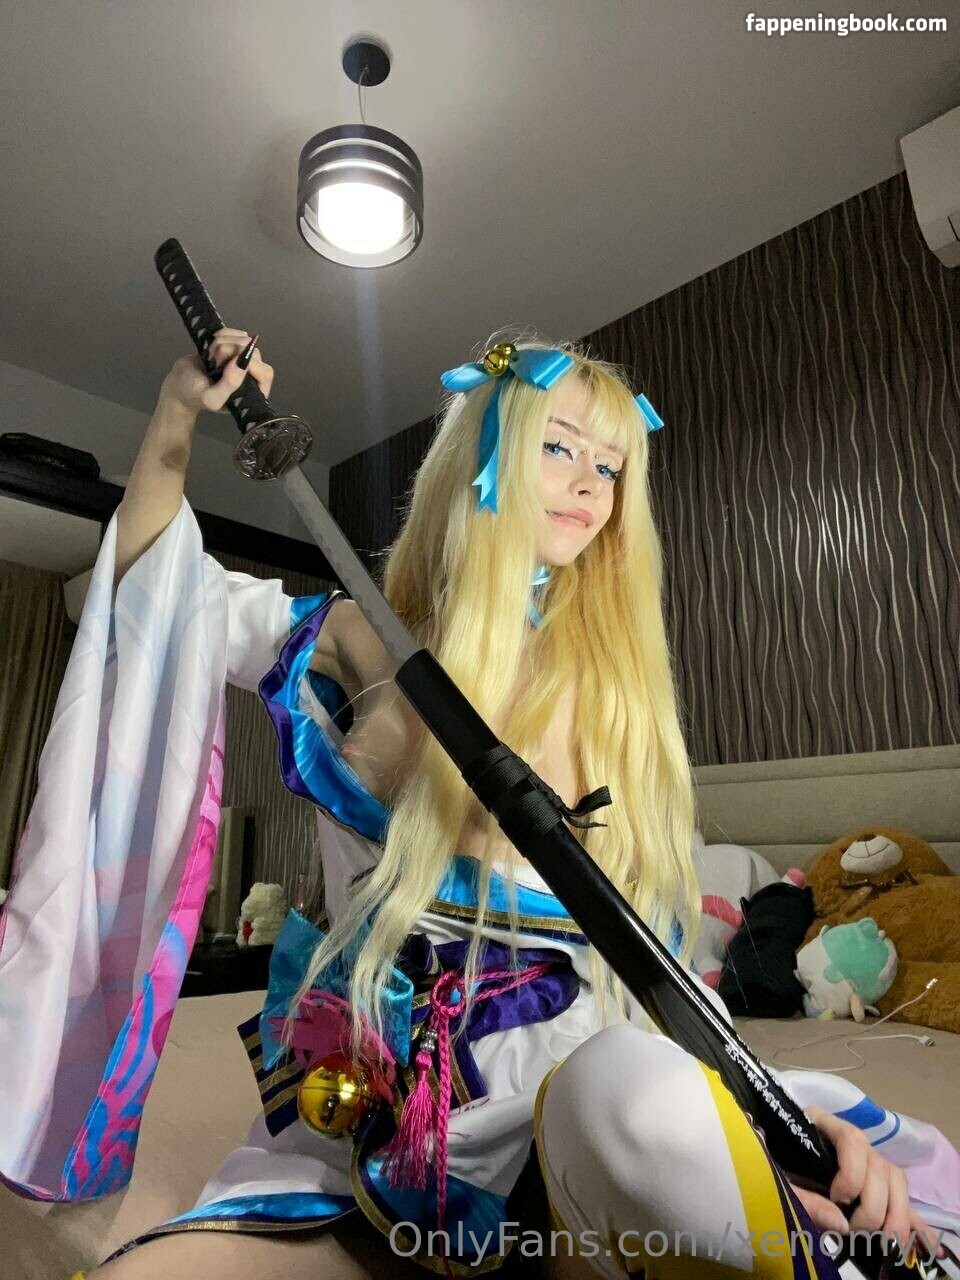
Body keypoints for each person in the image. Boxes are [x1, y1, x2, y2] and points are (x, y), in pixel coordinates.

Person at [1, 328, 956, 1280]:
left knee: (629, 1092)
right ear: (484, 456)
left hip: (586, 1097)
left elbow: (651, 978)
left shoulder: (616, 702)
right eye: (559, 445)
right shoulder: (354, 639)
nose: (588, 483)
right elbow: (154, 590)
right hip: (378, 1099)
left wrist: (753, 1127)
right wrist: (176, 418)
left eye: (610, 466)